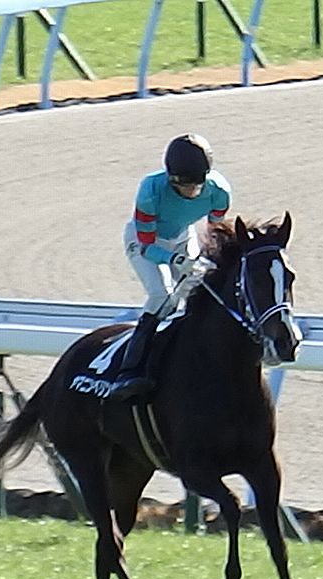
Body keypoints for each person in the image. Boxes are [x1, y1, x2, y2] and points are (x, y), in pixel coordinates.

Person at [108, 133, 232, 401]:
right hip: (145, 240)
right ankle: (130, 368)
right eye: (182, 186)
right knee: (162, 296)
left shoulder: (220, 191)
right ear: (170, 178)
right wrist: (174, 260)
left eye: (196, 186)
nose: (190, 192)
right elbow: (147, 246)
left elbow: (215, 235)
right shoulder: (150, 190)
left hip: (183, 238)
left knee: (198, 294)